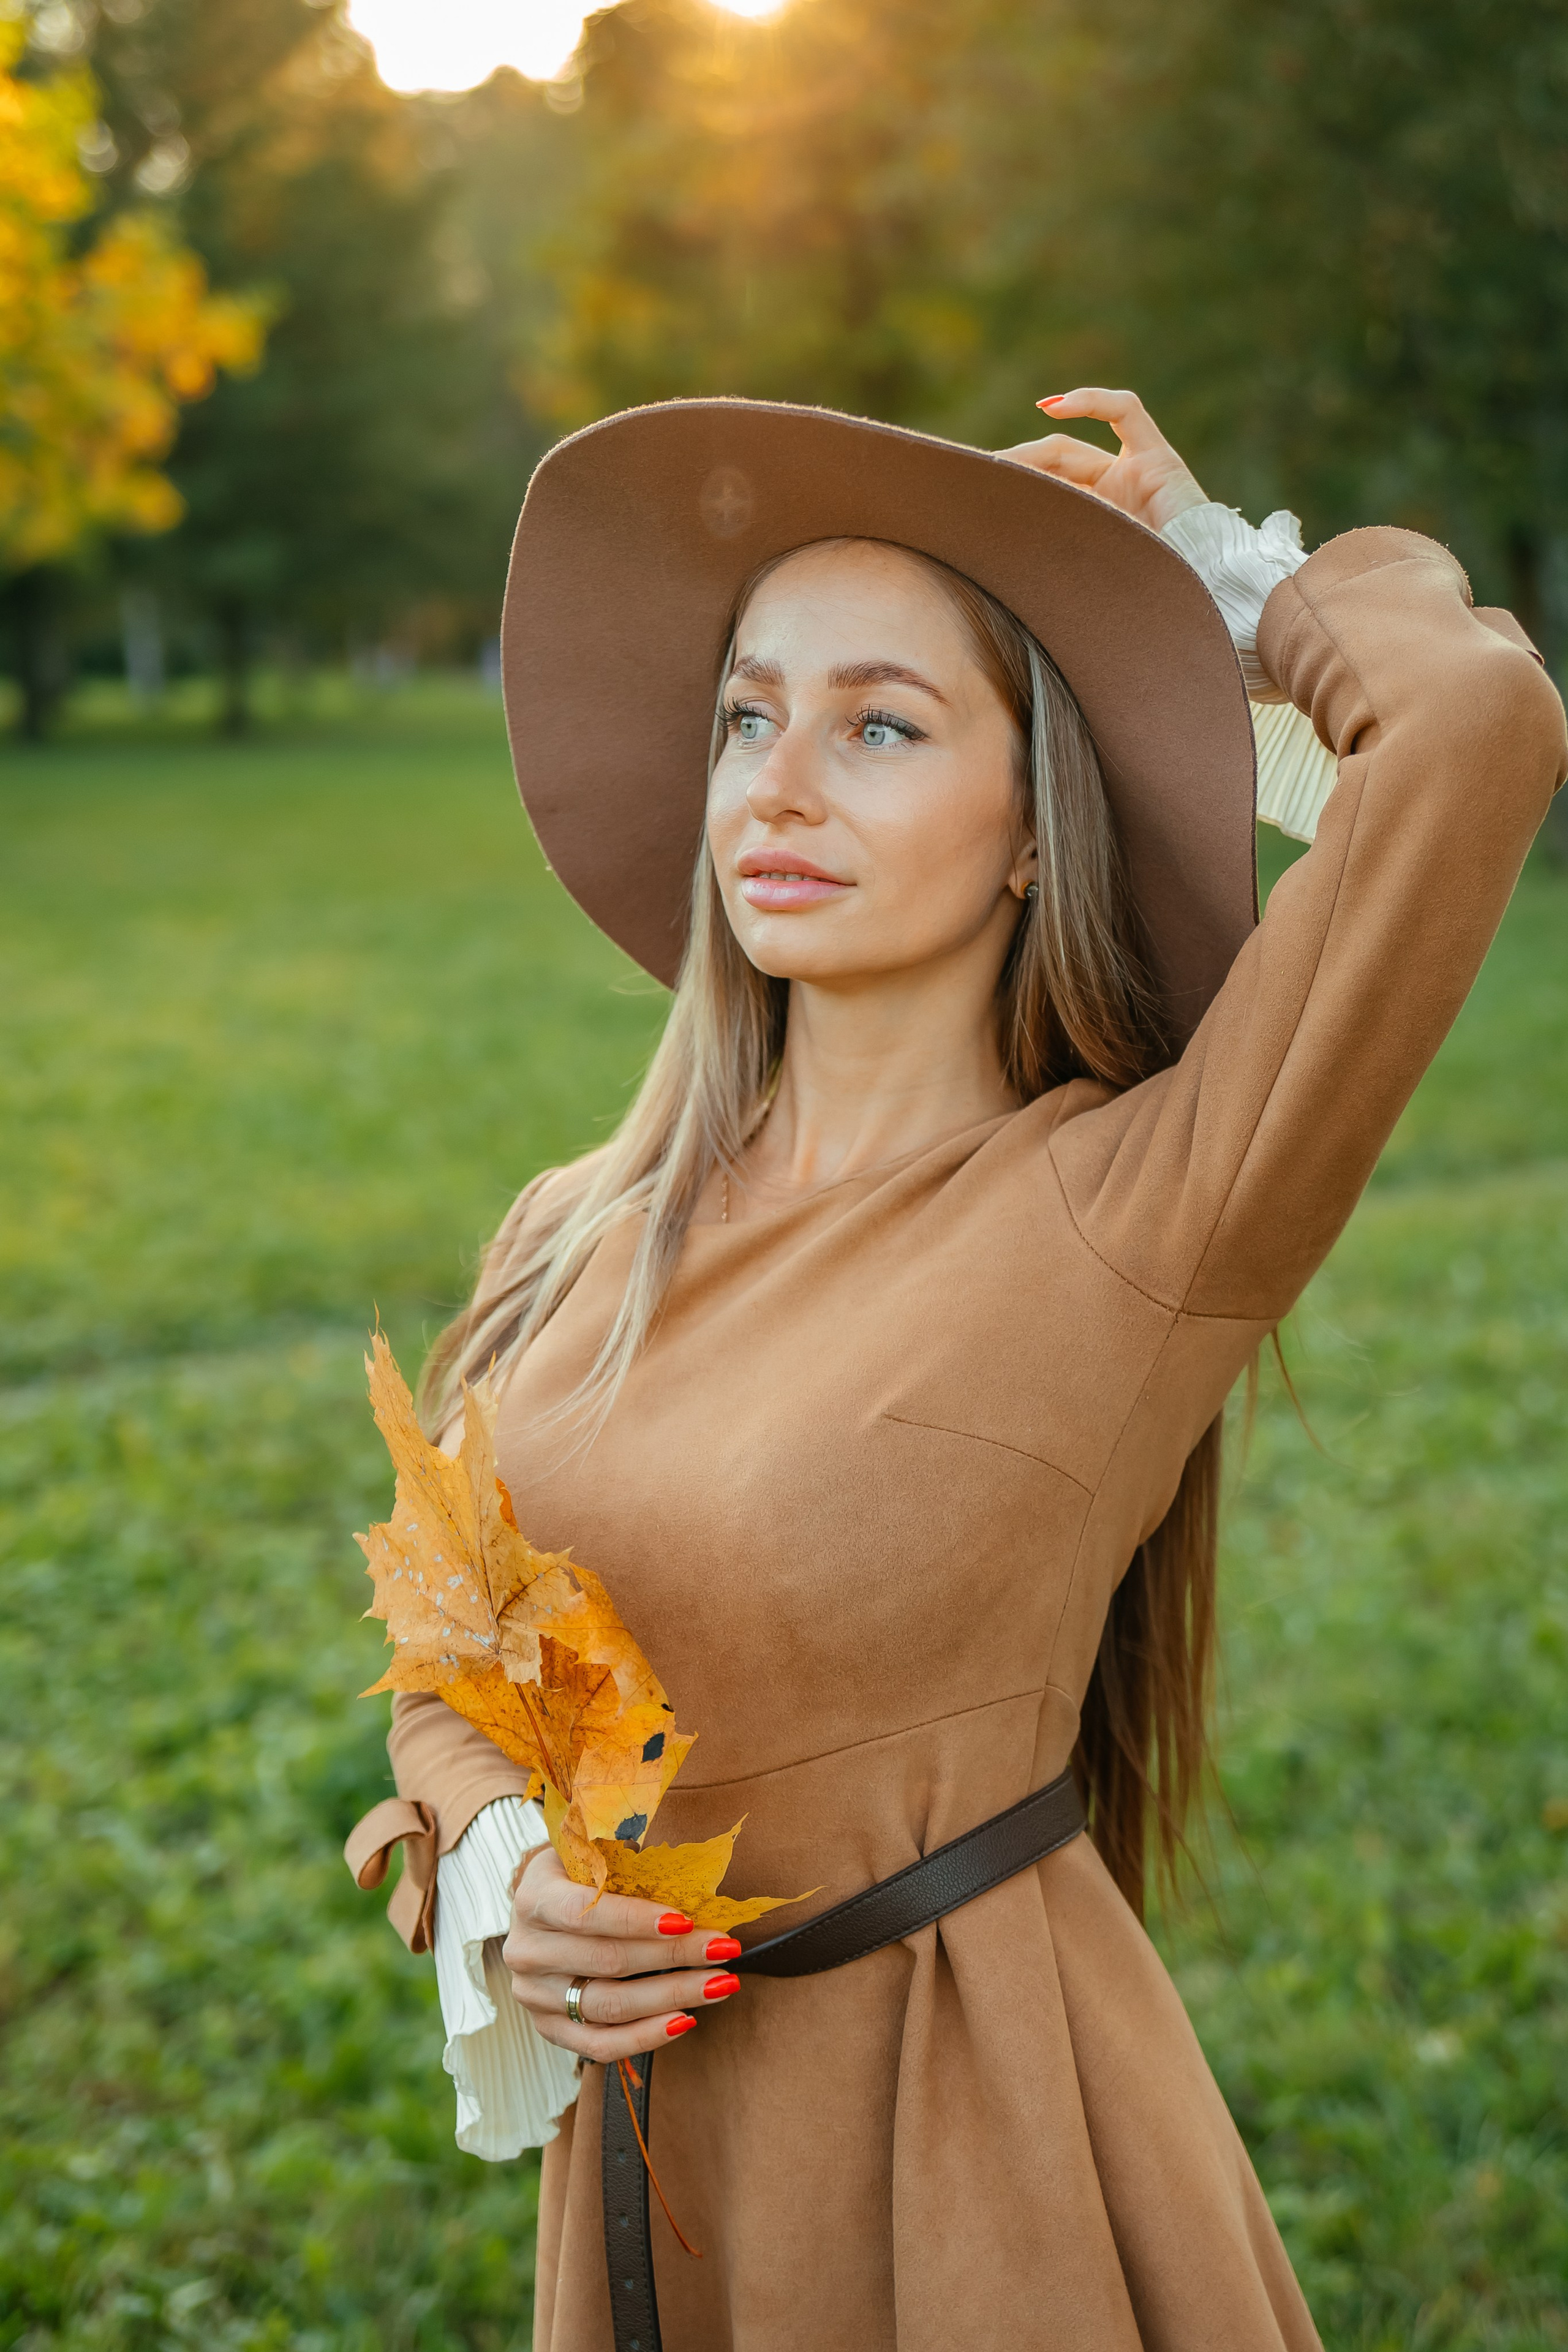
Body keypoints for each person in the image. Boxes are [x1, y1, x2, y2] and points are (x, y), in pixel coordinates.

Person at [346, 389, 1565, 2351]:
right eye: (750, 714)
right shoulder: (575, 1221)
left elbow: (1473, 734)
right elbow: (456, 1656)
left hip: (976, 2168)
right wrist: (493, 1870)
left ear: (1029, 825)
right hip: (657, 2195)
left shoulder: (1144, 1206)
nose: (779, 784)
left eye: (882, 726)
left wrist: (1229, 599)